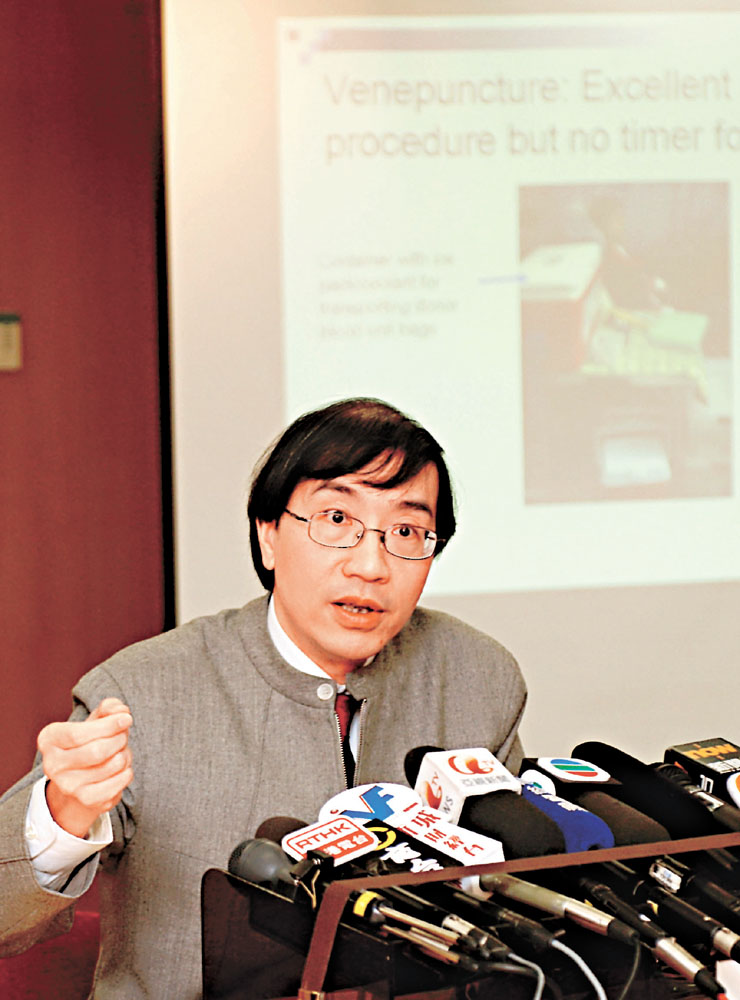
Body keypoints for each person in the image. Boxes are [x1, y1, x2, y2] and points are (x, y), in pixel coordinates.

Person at [0, 397, 526, 998]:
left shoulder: (477, 677)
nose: (371, 565)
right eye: (336, 519)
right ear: (268, 534)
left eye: (405, 531)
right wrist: (62, 815)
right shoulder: (141, 693)